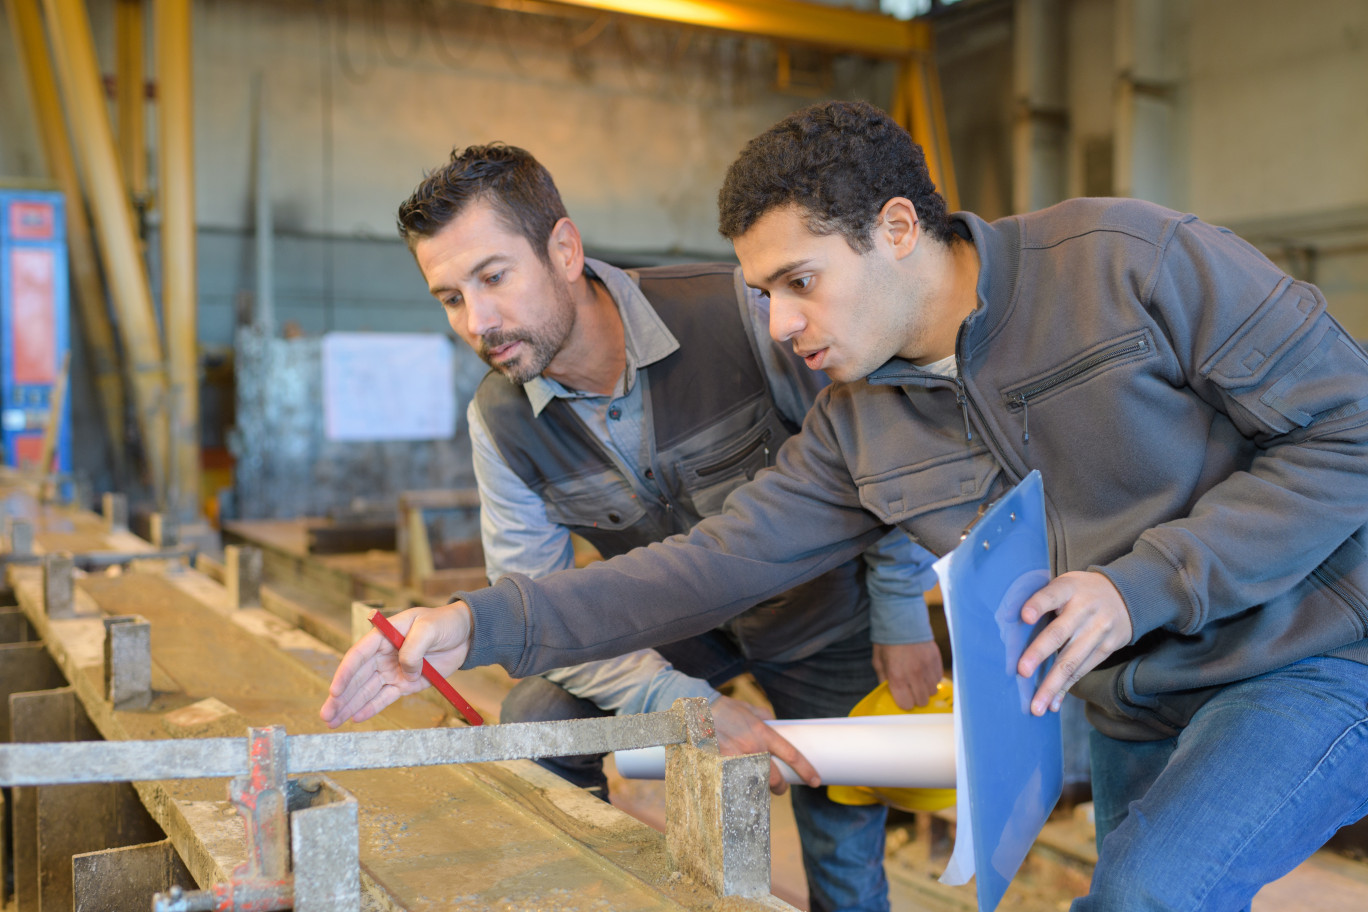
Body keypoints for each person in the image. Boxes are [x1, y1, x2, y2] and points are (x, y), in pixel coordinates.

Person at [323, 102, 1368, 910]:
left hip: (1310, 654)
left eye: (800, 282)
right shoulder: (860, 423)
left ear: (897, 228)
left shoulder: (1127, 264)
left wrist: (1140, 586)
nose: (778, 325)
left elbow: (1350, 434)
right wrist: (472, 623)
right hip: (1130, 694)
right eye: (764, 290)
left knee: (1150, 894)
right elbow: (708, 565)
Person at [383, 142, 945, 912]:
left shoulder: (741, 312)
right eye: (450, 297)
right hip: (676, 628)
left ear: (565, 250)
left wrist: (899, 607)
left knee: (844, 859)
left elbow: (881, 443)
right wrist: (682, 705)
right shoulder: (499, 420)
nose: (478, 321)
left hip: (821, 613)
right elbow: (537, 601)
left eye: (493, 276)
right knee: (539, 720)